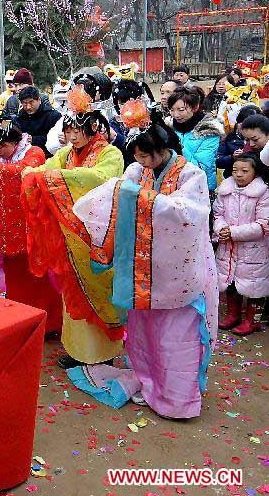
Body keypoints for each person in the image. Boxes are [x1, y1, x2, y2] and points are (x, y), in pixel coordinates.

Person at [69, 107, 218, 419]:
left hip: (178, 268)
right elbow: (121, 193)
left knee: (175, 336)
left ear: (163, 150)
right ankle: (148, 380)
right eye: (136, 156)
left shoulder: (193, 175)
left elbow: (190, 213)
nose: (140, 163)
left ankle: (178, 398)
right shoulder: (138, 172)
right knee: (145, 331)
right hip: (142, 267)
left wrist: (143, 200)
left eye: (145, 156)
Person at [23, 85, 126, 370]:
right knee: (72, 292)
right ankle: (78, 351)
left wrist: (55, 177)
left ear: (93, 128)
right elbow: (46, 167)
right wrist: (33, 173)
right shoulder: (67, 155)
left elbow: (99, 178)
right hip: (69, 235)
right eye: (68, 131)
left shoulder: (111, 154)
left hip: (97, 235)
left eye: (77, 131)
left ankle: (103, 350)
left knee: (99, 289)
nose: (72, 136)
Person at [0, 119, 62, 333]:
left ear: (15, 142)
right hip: (9, 228)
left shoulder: (34, 152)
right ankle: (24, 320)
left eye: (2, 146)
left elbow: (23, 171)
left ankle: (47, 323)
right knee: (15, 278)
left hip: (31, 227)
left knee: (37, 278)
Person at [213, 153, 268, 336]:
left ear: (255, 171)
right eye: (235, 170)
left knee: (255, 286)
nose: (238, 174)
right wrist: (220, 228)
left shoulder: (263, 193)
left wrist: (234, 232)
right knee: (230, 281)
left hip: (254, 250)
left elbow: (263, 224)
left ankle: (253, 321)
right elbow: (217, 214)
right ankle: (233, 315)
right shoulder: (225, 190)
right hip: (228, 247)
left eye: (244, 171)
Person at [168, 86, 223, 192]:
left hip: (200, 188)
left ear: (195, 107)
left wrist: (177, 145)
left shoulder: (209, 131)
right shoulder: (169, 126)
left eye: (181, 110)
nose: (176, 115)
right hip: (173, 186)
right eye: (172, 110)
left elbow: (202, 167)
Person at [12, 86, 62, 155]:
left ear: (39, 100)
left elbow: (57, 141)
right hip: (24, 155)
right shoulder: (21, 116)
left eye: (31, 102)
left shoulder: (53, 116)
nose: (28, 107)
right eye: (25, 103)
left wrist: (33, 139)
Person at [216, 105, 261, 179]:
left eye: (252, 126)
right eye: (243, 124)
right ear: (237, 123)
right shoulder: (230, 137)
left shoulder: (263, 138)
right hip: (232, 178)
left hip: (257, 179)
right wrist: (232, 157)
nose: (247, 129)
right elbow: (218, 161)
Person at [110, 80, 147, 166]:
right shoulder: (115, 122)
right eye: (122, 103)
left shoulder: (147, 122)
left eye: (129, 102)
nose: (126, 106)